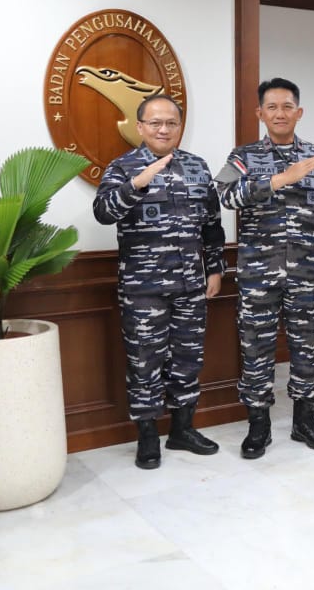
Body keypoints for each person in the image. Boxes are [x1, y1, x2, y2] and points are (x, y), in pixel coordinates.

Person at [213, 78, 314, 460]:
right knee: (256, 348)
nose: (280, 113)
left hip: (307, 273)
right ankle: (259, 425)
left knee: (307, 347)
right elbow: (224, 195)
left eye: (287, 106)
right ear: (260, 113)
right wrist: (277, 181)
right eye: (272, 107)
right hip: (258, 274)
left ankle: (305, 420)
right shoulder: (244, 157)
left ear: (299, 112)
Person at [93, 94, 225, 469]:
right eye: (155, 123)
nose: (163, 129)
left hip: (190, 285)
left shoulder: (197, 167)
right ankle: (148, 437)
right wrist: (136, 184)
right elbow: (103, 212)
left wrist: (215, 269)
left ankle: (183, 429)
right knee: (144, 362)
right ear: (140, 127)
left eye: (171, 123)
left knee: (188, 359)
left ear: (180, 127)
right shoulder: (123, 167)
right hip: (143, 288)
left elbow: (212, 224)